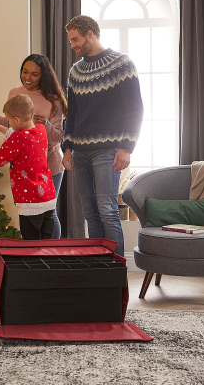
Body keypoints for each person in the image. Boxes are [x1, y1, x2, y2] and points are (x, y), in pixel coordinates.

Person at [62, 15, 143, 257]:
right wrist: (67, 147)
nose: (73, 45)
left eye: (75, 39)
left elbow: (135, 107)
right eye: (70, 41)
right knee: (90, 212)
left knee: (107, 209)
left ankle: (115, 270)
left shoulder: (122, 64)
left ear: (90, 34)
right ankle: (99, 266)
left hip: (109, 150)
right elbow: (72, 113)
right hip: (80, 151)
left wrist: (127, 146)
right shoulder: (75, 72)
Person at [0, 54, 66, 239]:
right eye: (25, 72)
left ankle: (52, 258)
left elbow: (57, 137)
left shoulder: (54, 100)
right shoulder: (15, 92)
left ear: (43, 76)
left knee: (49, 215)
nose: (28, 77)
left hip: (49, 167)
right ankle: (36, 260)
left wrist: (45, 124)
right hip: (25, 168)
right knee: (31, 220)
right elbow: (13, 123)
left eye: (34, 74)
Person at [0, 94, 56, 240]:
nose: (9, 123)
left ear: (17, 120)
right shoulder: (40, 130)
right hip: (48, 198)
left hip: (30, 203)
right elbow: (25, 139)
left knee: (31, 246)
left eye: (8, 120)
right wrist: (2, 128)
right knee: (45, 245)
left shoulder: (18, 138)